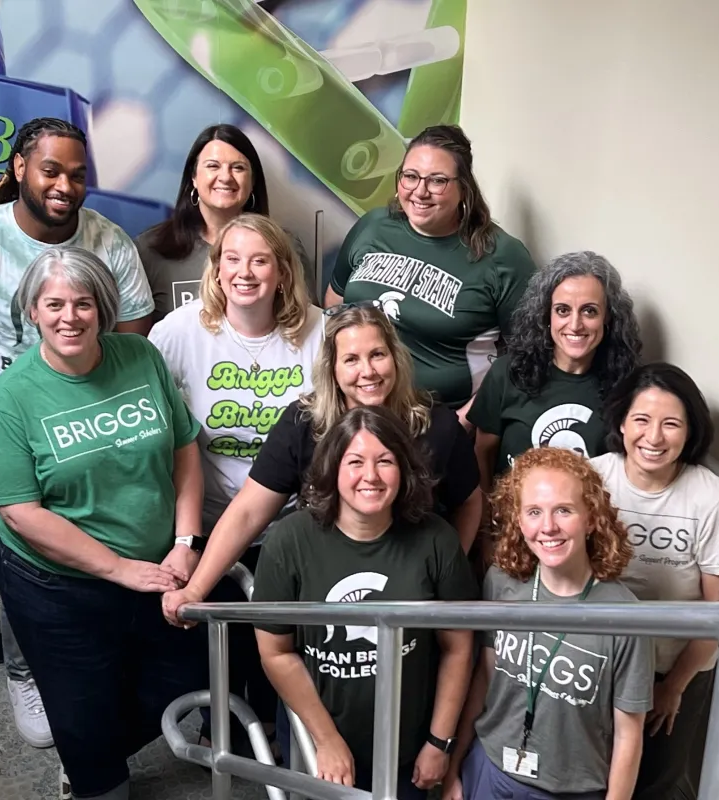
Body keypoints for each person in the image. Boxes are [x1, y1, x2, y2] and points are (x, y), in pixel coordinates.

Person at [0, 117, 154, 749]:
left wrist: (94, 423)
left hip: (105, 423)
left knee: (112, 543)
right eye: (51, 170)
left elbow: (134, 347)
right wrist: (21, 430)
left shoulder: (110, 243)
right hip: (19, 429)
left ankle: (112, 663)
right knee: (24, 555)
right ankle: (24, 673)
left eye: (78, 174)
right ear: (20, 168)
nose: (65, 185)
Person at [0, 246, 204, 800]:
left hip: (157, 563)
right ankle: (94, 776)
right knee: (81, 705)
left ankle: (91, 752)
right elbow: (21, 512)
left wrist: (185, 541)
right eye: (54, 304)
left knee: (185, 673)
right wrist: (117, 568)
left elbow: (184, 447)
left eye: (83, 303)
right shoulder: (10, 397)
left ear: (103, 308)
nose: (69, 317)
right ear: (32, 311)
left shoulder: (140, 356)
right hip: (56, 584)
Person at [161, 303, 482, 626]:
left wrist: (444, 572)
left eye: (377, 355)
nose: (368, 371)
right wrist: (196, 589)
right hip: (324, 588)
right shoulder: (303, 423)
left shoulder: (437, 425)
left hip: (411, 593)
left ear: (396, 358)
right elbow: (247, 512)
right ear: (332, 369)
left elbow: (469, 503)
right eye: (351, 359)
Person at [149, 212, 322, 749]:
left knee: (278, 641)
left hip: (292, 522)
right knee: (218, 643)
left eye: (260, 261)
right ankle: (220, 731)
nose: (245, 272)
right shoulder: (177, 334)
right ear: (217, 269)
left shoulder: (320, 332)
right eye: (233, 259)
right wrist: (183, 536)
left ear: (283, 272)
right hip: (211, 517)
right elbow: (161, 433)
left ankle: (274, 734)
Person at [253, 405, 477, 798]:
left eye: (385, 461)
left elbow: (457, 648)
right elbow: (276, 651)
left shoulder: (436, 539)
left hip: (408, 746)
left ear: (404, 469)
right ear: (332, 468)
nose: (370, 475)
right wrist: (326, 740)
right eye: (355, 462)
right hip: (319, 740)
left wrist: (439, 742)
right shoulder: (289, 541)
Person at [443, 447, 653, 800]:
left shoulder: (625, 615)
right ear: (518, 520)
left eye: (564, 510)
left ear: (591, 518)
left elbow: (628, 734)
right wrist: (454, 766)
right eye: (534, 512)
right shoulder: (502, 583)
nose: (548, 526)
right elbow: (484, 679)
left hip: (572, 789)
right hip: (491, 769)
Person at [325, 124, 536, 420]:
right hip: (356, 411)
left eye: (437, 181)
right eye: (410, 176)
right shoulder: (372, 226)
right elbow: (335, 302)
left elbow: (525, 356)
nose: (420, 192)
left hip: (440, 420)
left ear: (464, 188)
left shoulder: (504, 257)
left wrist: (465, 422)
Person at [592, 363, 719, 800]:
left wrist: (673, 687)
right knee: (593, 778)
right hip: (599, 661)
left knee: (656, 783)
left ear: (689, 432)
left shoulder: (713, 497)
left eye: (671, 424)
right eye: (642, 419)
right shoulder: (592, 479)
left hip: (676, 666)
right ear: (621, 422)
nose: (653, 437)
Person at [469, 251, 642, 491]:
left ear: (608, 318)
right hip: (509, 513)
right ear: (546, 315)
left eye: (589, 311)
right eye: (562, 310)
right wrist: (488, 512)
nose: (575, 325)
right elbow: (483, 453)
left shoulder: (627, 389)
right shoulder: (508, 372)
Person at [136, 123, 316, 321]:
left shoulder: (286, 246)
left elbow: (308, 325)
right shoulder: (150, 250)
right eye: (213, 166)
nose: (225, 177)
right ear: (193, 177)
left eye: (238, 167)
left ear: (252, 181)